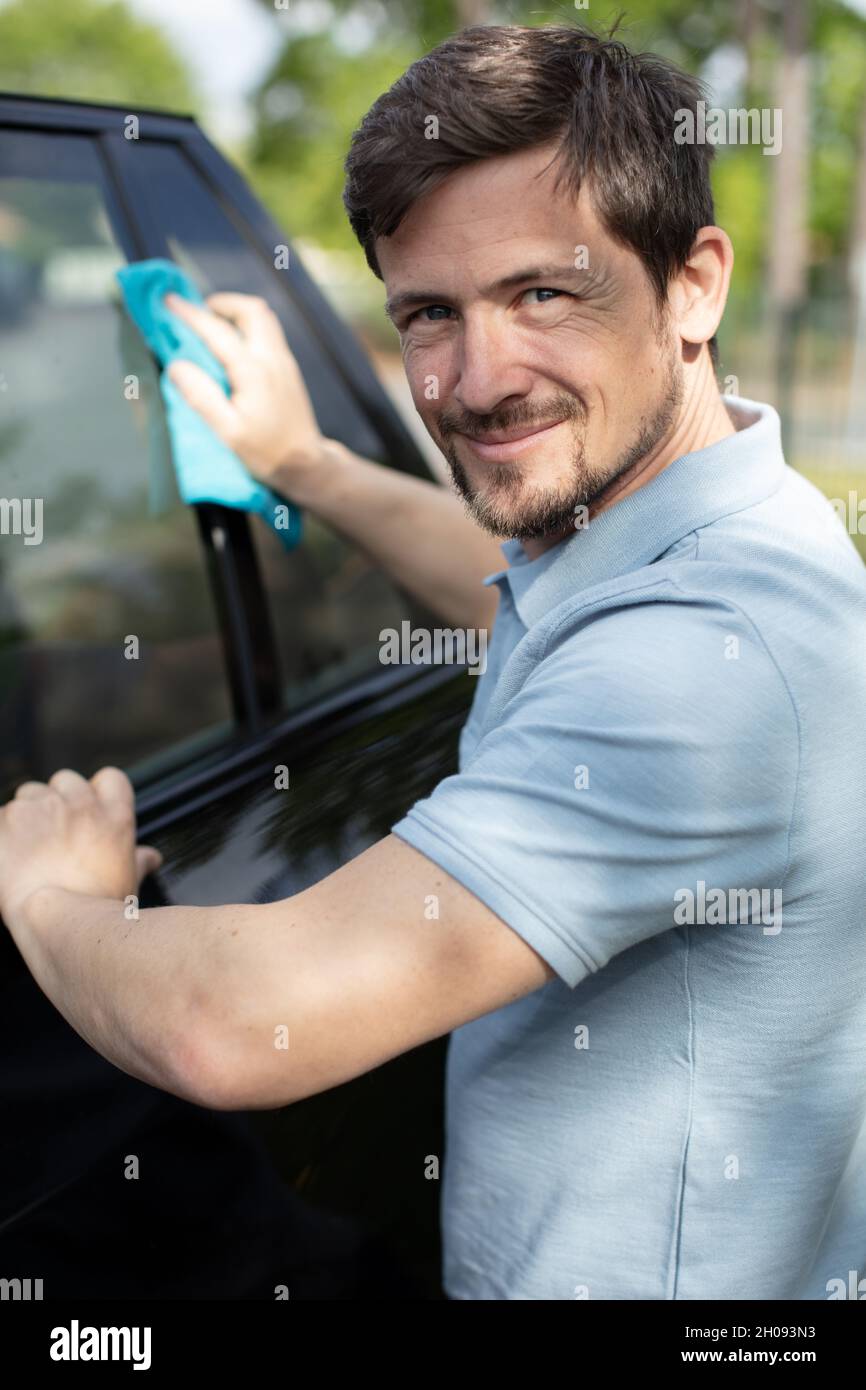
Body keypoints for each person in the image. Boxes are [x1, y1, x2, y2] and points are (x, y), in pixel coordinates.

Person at [2, 22, 865, 1301]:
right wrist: (301, 463)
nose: (476, 378)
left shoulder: (701, 667)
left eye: (540, 294)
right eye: (428, 314)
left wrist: (46, 899)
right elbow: (503, 592)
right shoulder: (718, 536)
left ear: (693, 283)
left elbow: (240, 1022)